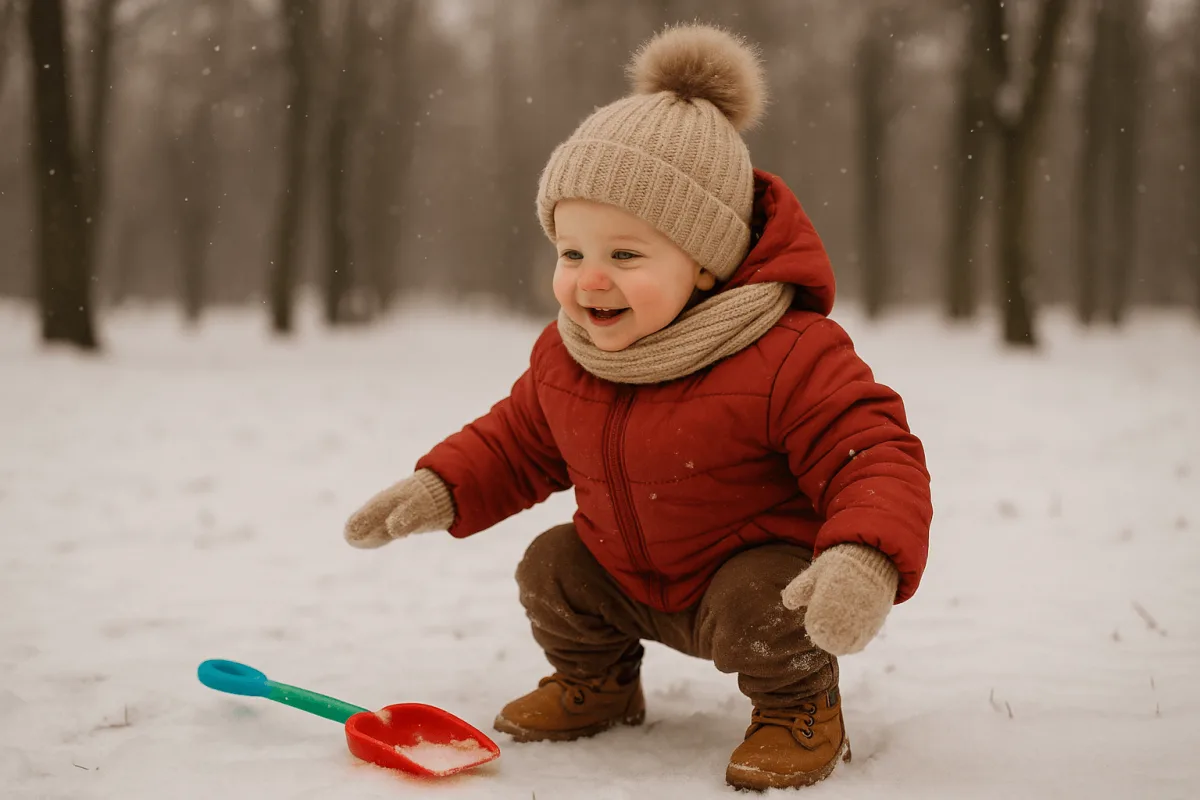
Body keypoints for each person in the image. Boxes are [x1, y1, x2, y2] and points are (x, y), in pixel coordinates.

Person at [344, 23, 932, 791]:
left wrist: (864, 556)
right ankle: (600, 683)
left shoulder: (789, 353)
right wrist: (439, 487)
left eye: (625, 255)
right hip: (627, 575)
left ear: (707, 265)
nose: (590, 279)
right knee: (554, 566)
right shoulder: (568, 357)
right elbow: (517, 442)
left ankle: (798, 707)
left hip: (744, 581)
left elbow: (874, 454)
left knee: (766, 603)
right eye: (572, 252)